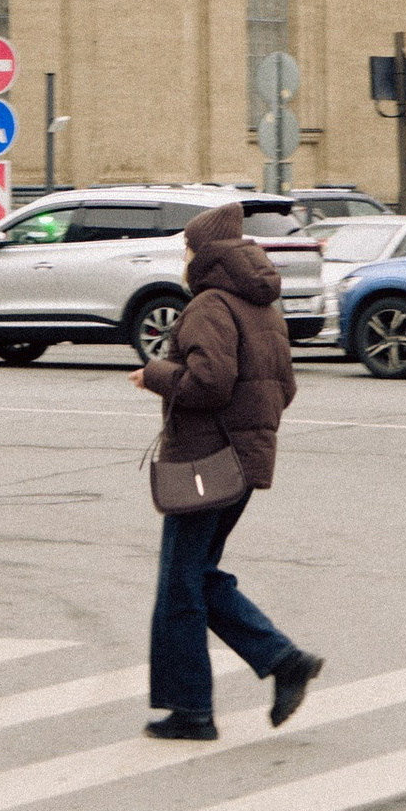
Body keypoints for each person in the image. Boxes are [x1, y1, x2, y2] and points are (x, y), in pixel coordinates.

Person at [134, 196, 323, 741]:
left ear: (203, 254)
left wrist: (156, 376)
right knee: (197, 576)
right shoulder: (260, 306)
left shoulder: (211, 305)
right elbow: (283, 387)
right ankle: (282, 660)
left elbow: (209, 381)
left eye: (187, 250)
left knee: (179, 587)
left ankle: (192, 710)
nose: (184, 259)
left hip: (205, 461)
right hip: (242, 459)